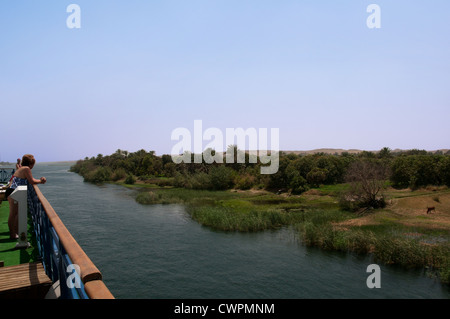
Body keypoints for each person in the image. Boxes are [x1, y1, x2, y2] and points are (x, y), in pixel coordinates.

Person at [5, 154, 46, 239]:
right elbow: (31, 181)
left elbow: (30, 178)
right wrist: (41, 181)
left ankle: (15, 232)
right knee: (13, 213)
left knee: (16, 213)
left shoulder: (21, 168)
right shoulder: (26, 169)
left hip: (12, 190)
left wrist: (39, 180)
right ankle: (12, 234)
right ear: (31, 164)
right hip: (14, 191)